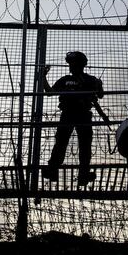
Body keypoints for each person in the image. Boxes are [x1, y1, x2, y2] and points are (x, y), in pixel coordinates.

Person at [40, 51, 104, 186]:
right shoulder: (65, 79)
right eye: (70, 64)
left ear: (80, 65)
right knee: (61, 143)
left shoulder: (90, 79)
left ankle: (83, 175)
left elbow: (100, 95)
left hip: (83, 115)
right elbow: (50, 92)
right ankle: (53, 170)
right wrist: (43, 76)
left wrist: (99, 85)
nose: (70, 66)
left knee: (84, 145)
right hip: (68, 114)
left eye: (73, 63)